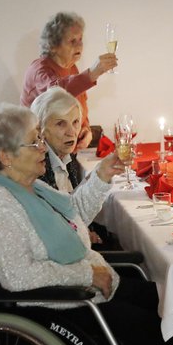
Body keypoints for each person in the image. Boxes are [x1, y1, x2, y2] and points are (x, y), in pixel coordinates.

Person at [0, 103, 173, 345]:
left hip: (92, 288)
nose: (42, 146)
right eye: (33, 141)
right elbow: (19, 276)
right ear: (6, 156)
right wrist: (88, 275)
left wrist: (102, 175)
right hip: (64, 305)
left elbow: (76, 217)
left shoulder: (30, 187)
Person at [30, 87, 116, 249]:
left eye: (75, 122)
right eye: (60, 124)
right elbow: (49, 226)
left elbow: (71, 206)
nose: (72, 132)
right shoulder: (37, 167)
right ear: (41, 129)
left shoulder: (67, 158)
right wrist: (80, 233)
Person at [21, 12, 118, 150]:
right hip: (39, 154)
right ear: (53, 45)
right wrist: (92, 73)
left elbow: (80, 104)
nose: (79, 46)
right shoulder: (39, 69)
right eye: (72, 41)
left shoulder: (72, 68)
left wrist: (85, 128)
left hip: (64, 152)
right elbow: (56, 92)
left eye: (80, 39)